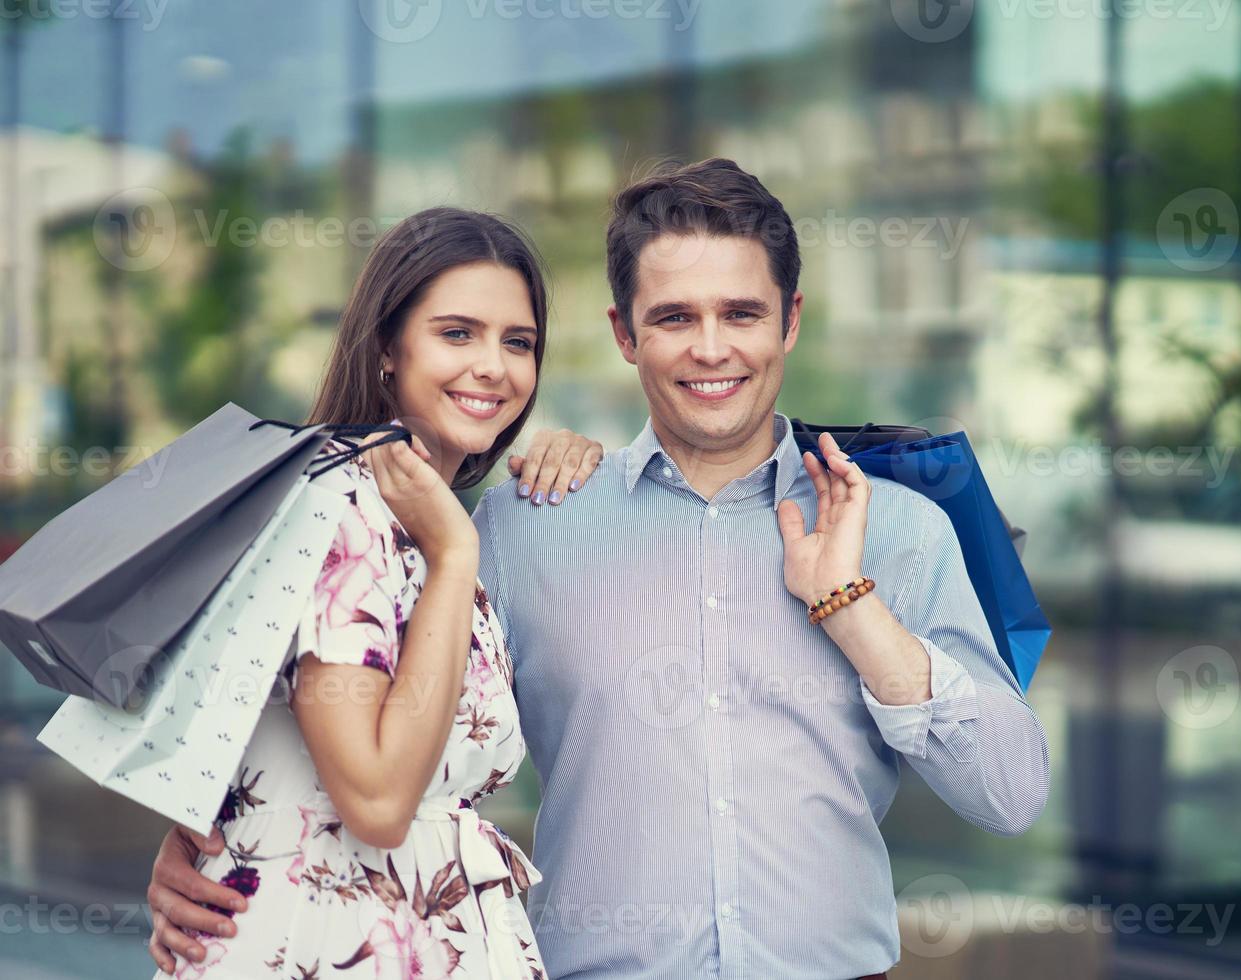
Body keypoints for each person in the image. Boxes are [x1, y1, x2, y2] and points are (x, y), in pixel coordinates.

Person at [148, 160, 1050, 979]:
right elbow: (357, 706)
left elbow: (1009, 796)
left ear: (791, 321)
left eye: (741, 313)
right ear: (624, 333)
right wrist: (202, 838)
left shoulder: (897, 528)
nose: (710, 348)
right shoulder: (520, 523)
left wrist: (852, 609)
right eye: (673, 318)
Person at [144, 207, 601, 978]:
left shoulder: (419, 521)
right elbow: (380, 804)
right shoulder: (344, 511)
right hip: (326, 948)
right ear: (388, 348)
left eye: (517, 342)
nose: (493, 366)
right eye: (457, 333)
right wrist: (455, 556)